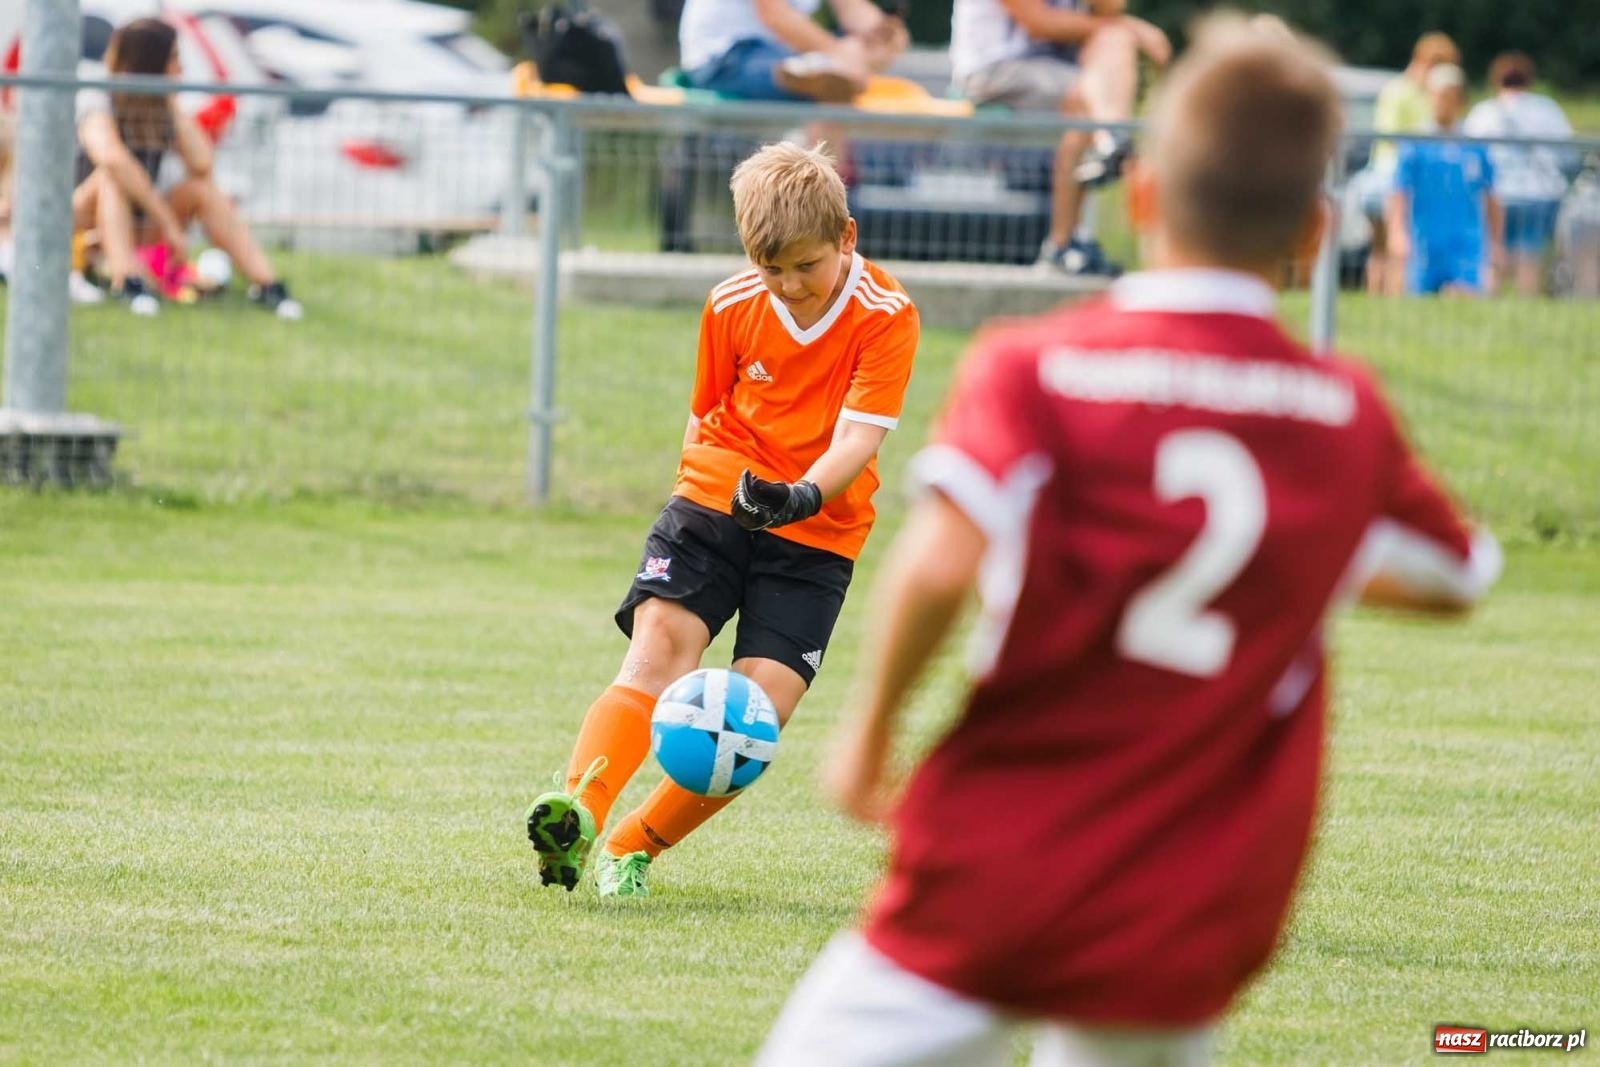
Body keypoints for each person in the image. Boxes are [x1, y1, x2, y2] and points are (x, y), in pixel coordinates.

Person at [759, 18, 1500, 1066]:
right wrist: (1297, 550)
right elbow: (1462, 574)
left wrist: (868, 736)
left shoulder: (1038, 366)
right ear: (1313, 231)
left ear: (1142, 194)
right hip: (1188, 893)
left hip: (998, 855)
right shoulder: (1340, 414)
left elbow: (940, 559)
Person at [524, 141, 919, 898]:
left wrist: (798, 495)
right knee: (657, 652)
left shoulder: (886, 315)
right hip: (714, 497)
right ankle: (577, 809)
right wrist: (691, 504)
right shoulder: (733, 301)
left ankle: (633, 846)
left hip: (817, 528)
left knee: (755, 719)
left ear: (847, 237)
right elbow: (704, 416)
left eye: (805, 266)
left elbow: (858, 439)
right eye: (771, 269)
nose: (788, 285)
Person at [72, 17, 300, 318]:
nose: (182, 70)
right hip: (83, 223)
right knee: (111, 179)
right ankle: (127, 281)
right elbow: (112, 159)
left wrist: (170, 102)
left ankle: (267, 285)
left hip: (139, 223)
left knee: (200, 190)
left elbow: (202, 162)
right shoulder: (98, 100)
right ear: (149, 65)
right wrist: (166, 220)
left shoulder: (165, 108)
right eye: (174, 60)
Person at [950, 0, 1171, 277]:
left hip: (1065, 74)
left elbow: (1109, 11)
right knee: (1088, 93)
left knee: (1110, 47)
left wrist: (1119, 25)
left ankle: (1066, 237)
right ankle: (1111, 139)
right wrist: (1131, 27)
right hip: (996, 71)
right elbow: (1038, 23)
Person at [1346, 32, 1460, 295]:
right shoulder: (1403, 92)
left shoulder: (1402, 90)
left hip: (1394, 176)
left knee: (1383, 248)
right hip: (1394, 177)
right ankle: (1383, 297)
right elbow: (1393, 136)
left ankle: (1382, 299)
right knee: (1392, 247)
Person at [1464, 51, 1575, 296]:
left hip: (1495, 194)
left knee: (1493, 253)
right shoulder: (1547, 109)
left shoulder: (1484, 112)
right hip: (1538, 193)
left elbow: (1468, 155)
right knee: (1529, 256)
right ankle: (1525, 303)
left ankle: (1489, 303)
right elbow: (1568, 153)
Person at [1387, 63, 1504, 296]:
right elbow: (1400, 191)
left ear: (1460, 100)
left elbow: (1491, 195)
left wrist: (1496, 243)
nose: (1443, 102)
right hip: (1425, 241)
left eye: (1450, 96)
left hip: (1465, 242)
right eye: (1439, 96)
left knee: (1468, 304)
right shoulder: (1415, 143)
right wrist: (1397, 232)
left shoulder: (1474, 146)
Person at [678, 0, 908, 103]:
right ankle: (814, 188)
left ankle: (824, 188)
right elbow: (774, 15)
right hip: (723, 59)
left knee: (836, 81)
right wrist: (839, 53)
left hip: (774, 53)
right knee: (833, 81)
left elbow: (852, 10)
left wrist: (884, 34)